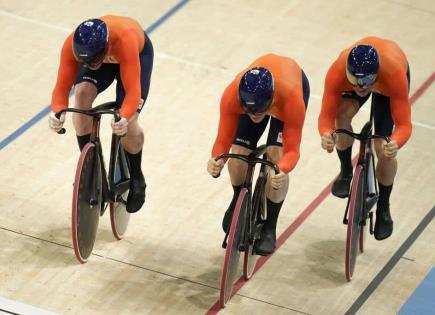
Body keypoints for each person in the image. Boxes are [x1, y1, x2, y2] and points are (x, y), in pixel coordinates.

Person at [48, 15, 154, 213]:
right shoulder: (72, 45)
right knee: (80, 97)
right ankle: (91, 170)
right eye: (84, 62)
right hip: (103, 55)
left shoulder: (126, 40)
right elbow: (61, 88)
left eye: (94, 61)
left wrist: (125, 115)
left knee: (128, 123)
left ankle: (137, 178)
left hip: (135, 56)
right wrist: (57, 110)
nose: (90, 65)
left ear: (104, 49)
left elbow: (133, 92)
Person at [207, 54, 309, 256]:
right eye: (248, 110)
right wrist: (216, 160)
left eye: (259, 110)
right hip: (263, 96)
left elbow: (293, 150)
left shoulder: (291, 99)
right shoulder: (231, 95)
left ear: (270, 100)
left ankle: (270, 226)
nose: (254, 114)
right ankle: (238, 199)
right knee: (238, 153)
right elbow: (222, 141)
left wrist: (283, 169)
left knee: (276, 158)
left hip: (289, 90)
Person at [318, 36, 411, 240]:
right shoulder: (337, 72)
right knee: (340, 117)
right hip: (373, 78)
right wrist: (326, 134)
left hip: (386, 86)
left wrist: (396, 143)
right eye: (355, 80)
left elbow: (404, 125)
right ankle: (345, 172)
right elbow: (326, 116)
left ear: (375, 74)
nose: (360, 86)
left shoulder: (393, 75)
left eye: (367, 80)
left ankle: (384, 208)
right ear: (347, 72)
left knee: (383, 148)